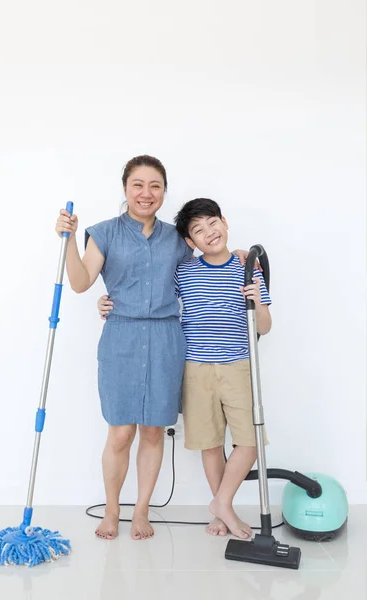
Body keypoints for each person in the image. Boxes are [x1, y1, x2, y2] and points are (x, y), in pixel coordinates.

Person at [56, 156, 250, 541]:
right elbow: (80, 283)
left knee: (152, 433)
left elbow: (208, 258)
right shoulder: (104, 232)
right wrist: (67, 243)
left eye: (155, 186)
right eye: (138, 185)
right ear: (125, 188)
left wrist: (240, 255)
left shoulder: (175, 240)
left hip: (165, 341)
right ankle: (112, 511)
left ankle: (141, 511)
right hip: (121, 339)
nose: (147, 193)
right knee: (120, 433)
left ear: (163, 191)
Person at [173, 198, 271, 539]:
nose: (209, 233)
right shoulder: (183, 271)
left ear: (225, 222)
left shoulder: (248, 267)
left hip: (238, 366)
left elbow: (265, 326)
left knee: (250, 441)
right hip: (196, 369)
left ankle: (221, 503)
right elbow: (154, 300)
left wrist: (258, 303)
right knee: (211, 443)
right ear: (190, 243)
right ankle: (222, 511)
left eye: (212, 223)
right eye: (198, 231)